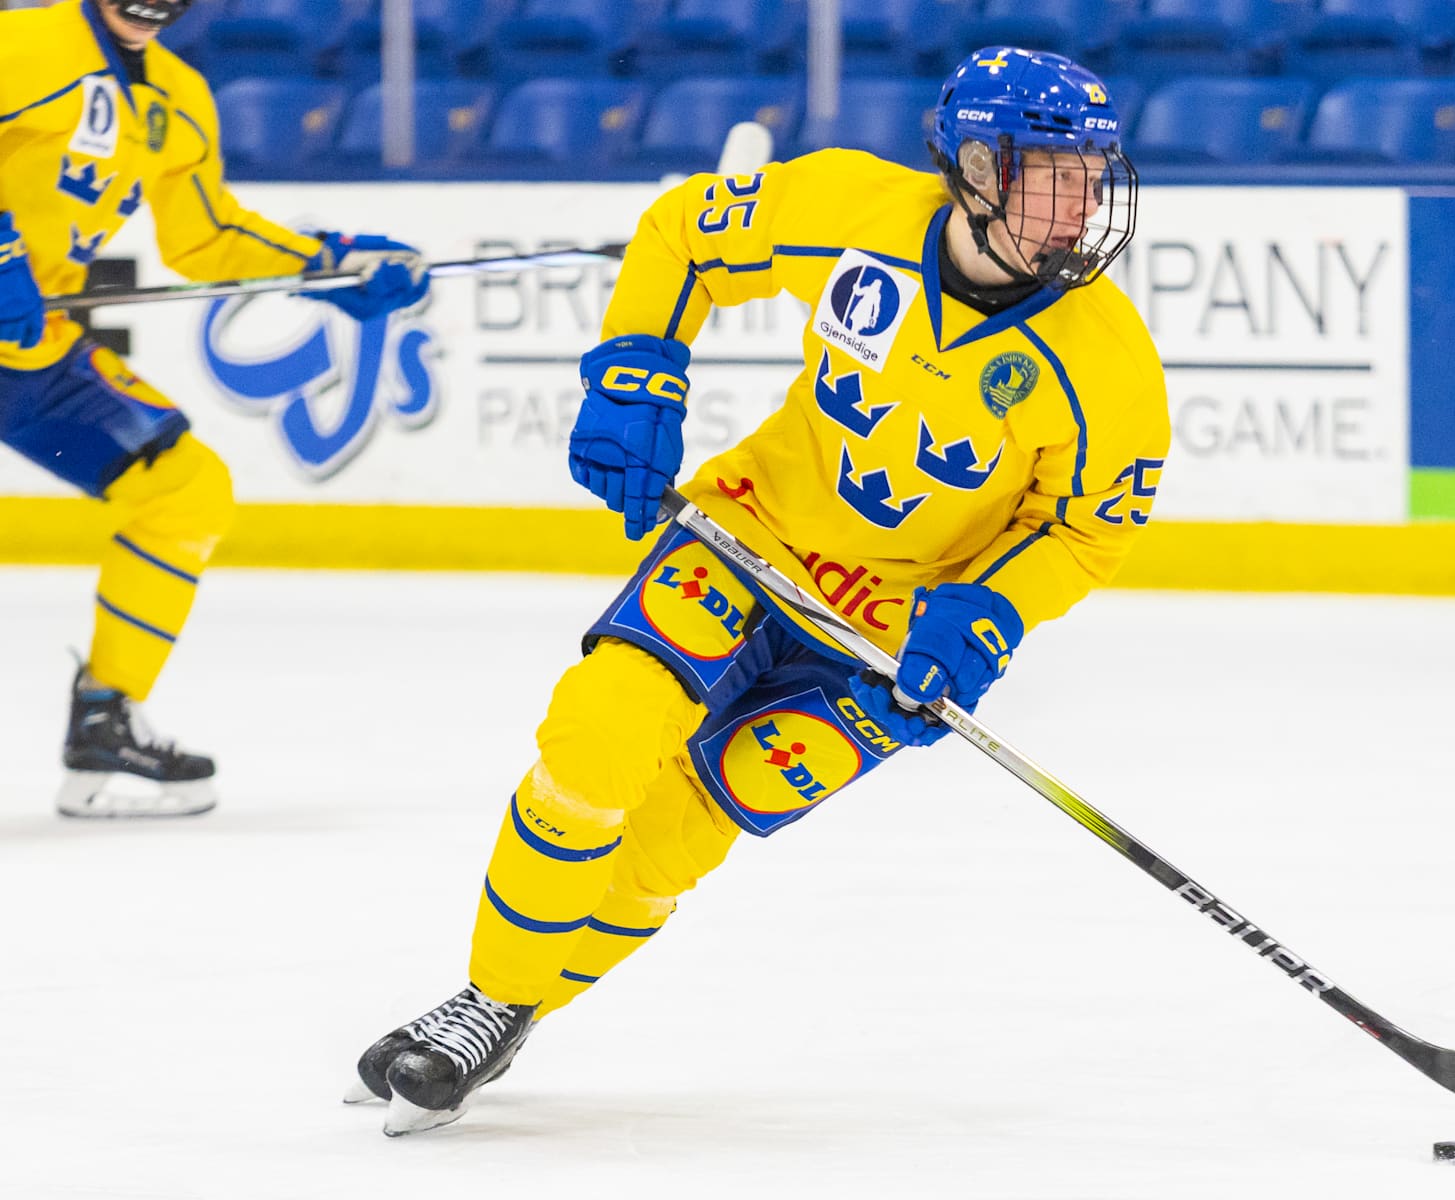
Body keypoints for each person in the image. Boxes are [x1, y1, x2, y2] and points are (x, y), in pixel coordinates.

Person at [350, 45, 1171, 1136]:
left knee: (671, 845)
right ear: (976, 162)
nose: (1080, 207)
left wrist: (990, 614)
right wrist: (638, 370)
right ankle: (491, 997)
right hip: (749, 540)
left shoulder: (1112, 369)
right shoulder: (850, 211)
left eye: (1092, 175)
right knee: (598, 737)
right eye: (1052, 172)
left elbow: (1082, 531)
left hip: (882, 641)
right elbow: (686, 231)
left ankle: (513, 1003)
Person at [0, 0, 430, 817]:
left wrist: (331, 265)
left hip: (28, 347)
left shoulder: (179, 96)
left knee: (183, 489)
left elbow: (204, 236)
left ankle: (105, 722)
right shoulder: (18, 38)